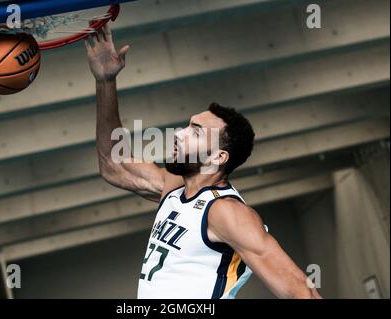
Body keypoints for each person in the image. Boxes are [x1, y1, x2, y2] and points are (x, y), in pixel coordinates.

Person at [84, 25, 322, 299]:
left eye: (195, 132)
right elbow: (114, 165)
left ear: (219, 157)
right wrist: (105, 82)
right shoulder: (173, 188)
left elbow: (301, 292)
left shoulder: (227, 212)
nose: (179, 134)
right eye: (187, 126)